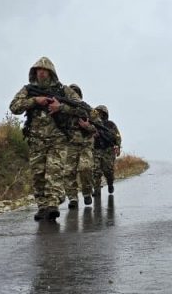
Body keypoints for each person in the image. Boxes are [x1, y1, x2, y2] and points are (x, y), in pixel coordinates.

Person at [9, 57, 81, 221]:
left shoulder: (63, 90)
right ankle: (42, 207)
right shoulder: (28, 90)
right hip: (36, 140)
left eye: (44, 70)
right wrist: (34, 101)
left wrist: (60, 107)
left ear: (51, 72)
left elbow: (81, 108)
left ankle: (52, 205)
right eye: (38, 70)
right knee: (38, 174)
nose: (41, 72)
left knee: (53, 171)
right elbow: (14, 107)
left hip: (58, 139)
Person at [63, 84, 96, 208]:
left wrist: (87, 126)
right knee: (68, 172)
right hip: (70, 144)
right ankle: (73, 199)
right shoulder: (62, 109)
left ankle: (87, 193)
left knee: (85, 168)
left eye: (76, 93)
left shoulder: (87, 109)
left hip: (85, 144)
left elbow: (98, 127)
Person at [91, 105, 121, 196]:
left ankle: (110, 183)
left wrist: (118, 146)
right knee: (96, 170)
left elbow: (117, 136)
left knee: (108, 170)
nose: (99, 114)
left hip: (108, 150)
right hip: (96, 149)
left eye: (100, 113)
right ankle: (96, 189)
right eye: (97, 112)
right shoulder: (93, 124)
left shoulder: (111, 124)